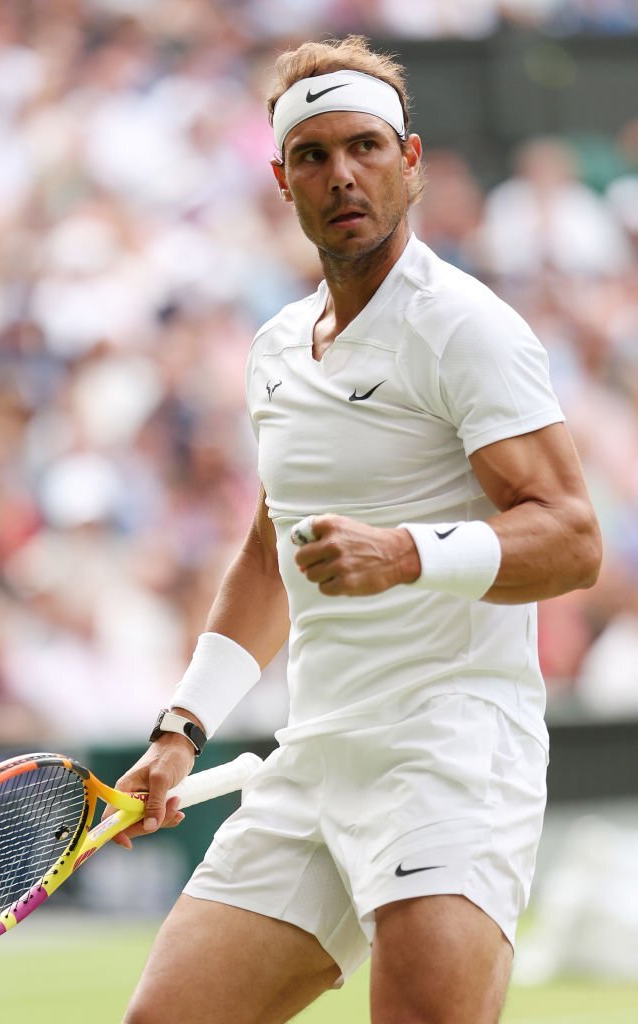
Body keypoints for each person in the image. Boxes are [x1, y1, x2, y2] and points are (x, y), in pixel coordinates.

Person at [111, 36, 603, 1023]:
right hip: (314, 756)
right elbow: (267, 552)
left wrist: (408, 552)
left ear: (410, 163)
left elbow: (575, 538)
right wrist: (181, 727)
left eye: (366, 147)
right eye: (314, 153)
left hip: (450, 753)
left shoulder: (467, 327)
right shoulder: (274, 349)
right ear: (280, 179)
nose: (343, 174)